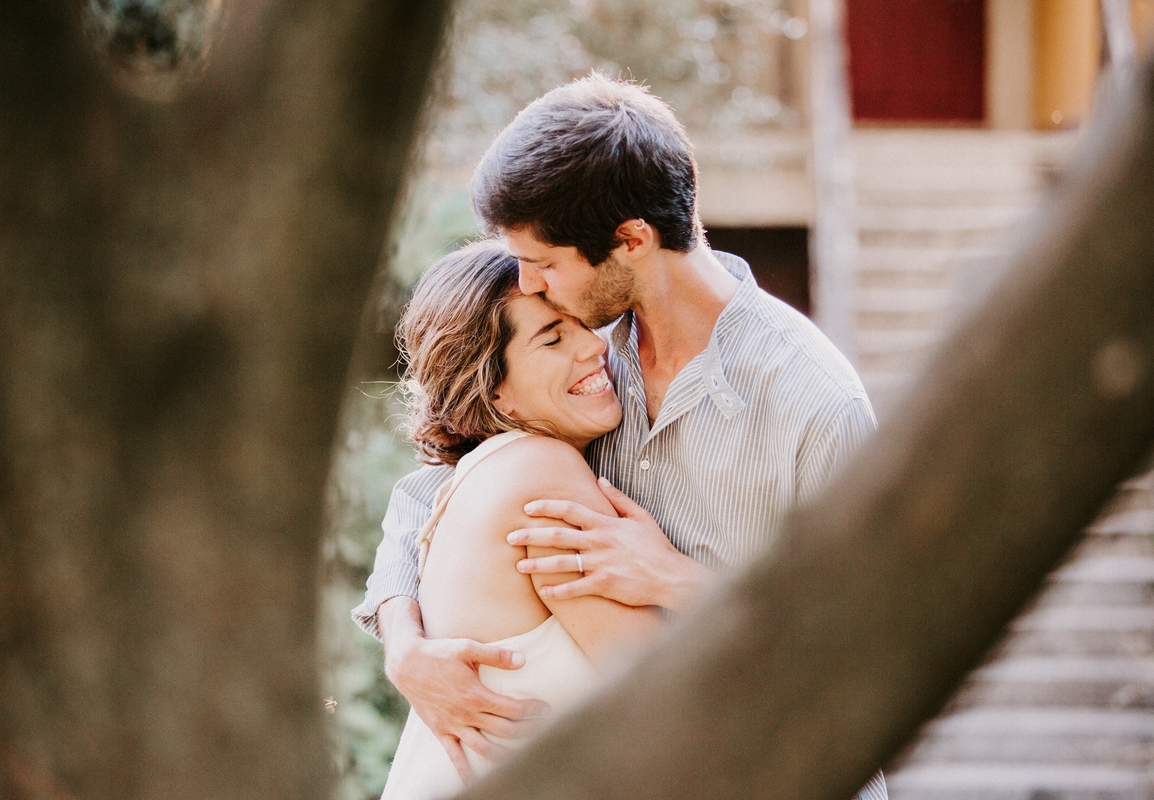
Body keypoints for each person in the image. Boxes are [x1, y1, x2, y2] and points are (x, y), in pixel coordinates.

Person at [354, 73, 887, 799]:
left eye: (544, 263)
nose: (529, 285)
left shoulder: (815, 402)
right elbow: (431, 496)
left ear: (631, 240)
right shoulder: (585, 361)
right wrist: (404, 645)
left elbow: (872, 641)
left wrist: (677, 579)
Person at [379, 240, 661, 799]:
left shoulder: (482, 473)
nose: (594, 345)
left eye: (582, 324)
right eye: (553, 339)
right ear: (495, 388)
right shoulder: (541, 472)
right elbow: (665, 683)